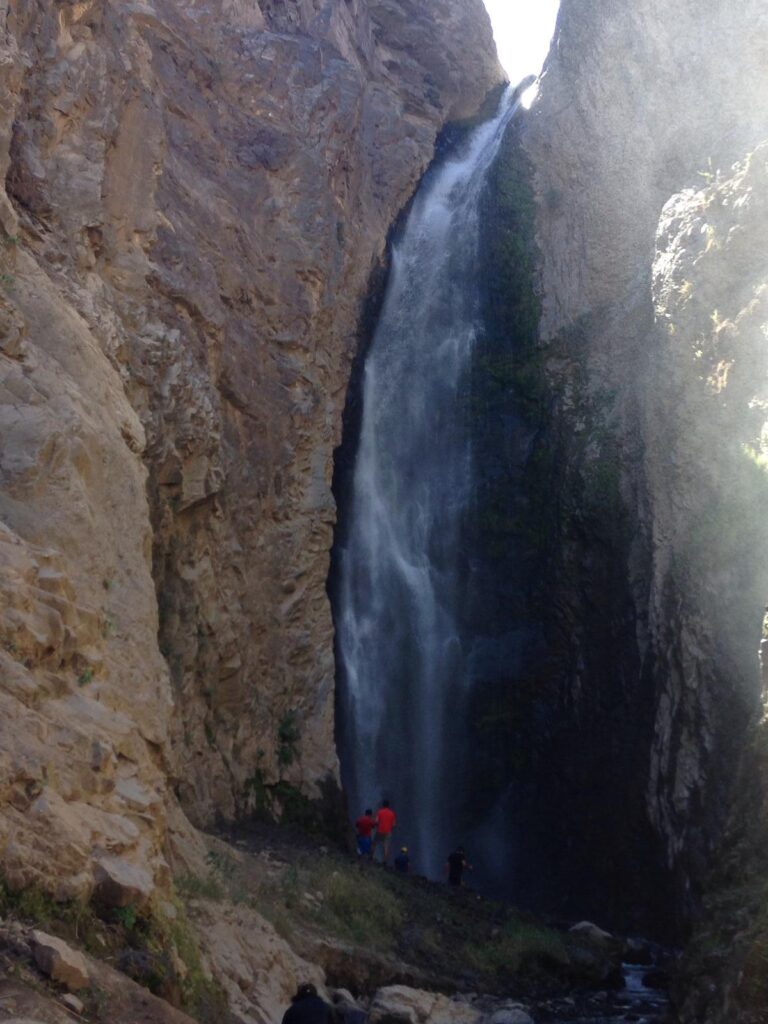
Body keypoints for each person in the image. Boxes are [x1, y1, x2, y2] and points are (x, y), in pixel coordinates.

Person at [372, 799, 397, 864]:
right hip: (388, 832)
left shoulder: (380, 812)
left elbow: (376, 821)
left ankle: (371, 856)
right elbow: (394, 824)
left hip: (380, 830)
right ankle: (385, 861)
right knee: (385, 846)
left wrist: (376, 826)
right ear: (388, 806)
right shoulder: (392, 813)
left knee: (374, 843)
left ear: (383, 805)